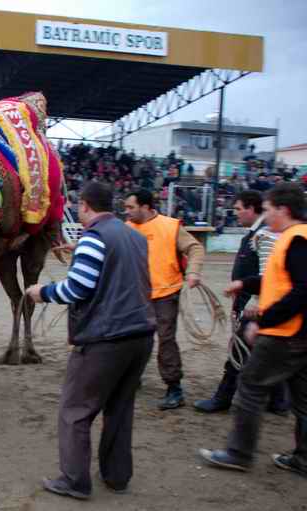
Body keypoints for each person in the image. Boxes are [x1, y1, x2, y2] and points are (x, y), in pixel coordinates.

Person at [26, 181, 156, 500]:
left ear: (84, 205)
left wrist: (40, 293)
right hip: (140, 335)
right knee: (120, 408)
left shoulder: (92, 238)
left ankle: (74, 480)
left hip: (106, 339)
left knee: (75, 410)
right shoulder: (135, 237)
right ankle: (116, 476)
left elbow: (77, 289)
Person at [200, 183, 307, 477]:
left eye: (269, 209)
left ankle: (239, 453)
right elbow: (283, 281)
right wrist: (246, 284)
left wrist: (264, 321)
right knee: (303, 400)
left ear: (283, 210)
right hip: (298, 334)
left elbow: (301, 291)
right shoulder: (294, 238)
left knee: (250, 385)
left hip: (285, 334)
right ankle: (303, 459)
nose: (266, 214)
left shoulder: (296, 240)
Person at [194, 190, 289, 414]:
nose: (235, 213)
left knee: (239, 352)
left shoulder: (264, 235)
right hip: (257, 303)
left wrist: (254, 302)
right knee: (269, 354)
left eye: (238, 209)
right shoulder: (259, 233)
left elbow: (269, 274)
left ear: (251, 208)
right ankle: (279, 402)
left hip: (256, 305)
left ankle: (223, 398)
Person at [124, 189, 205, 410]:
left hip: (166, 292)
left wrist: (194, 272)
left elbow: (195, 248)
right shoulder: (127, 228)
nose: (126, 212)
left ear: (146, 207)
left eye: (131, 207)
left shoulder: (170, 226)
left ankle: (174, 388)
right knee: (132, 338)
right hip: (137, 294)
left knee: (165, 339)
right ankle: (133, 378)